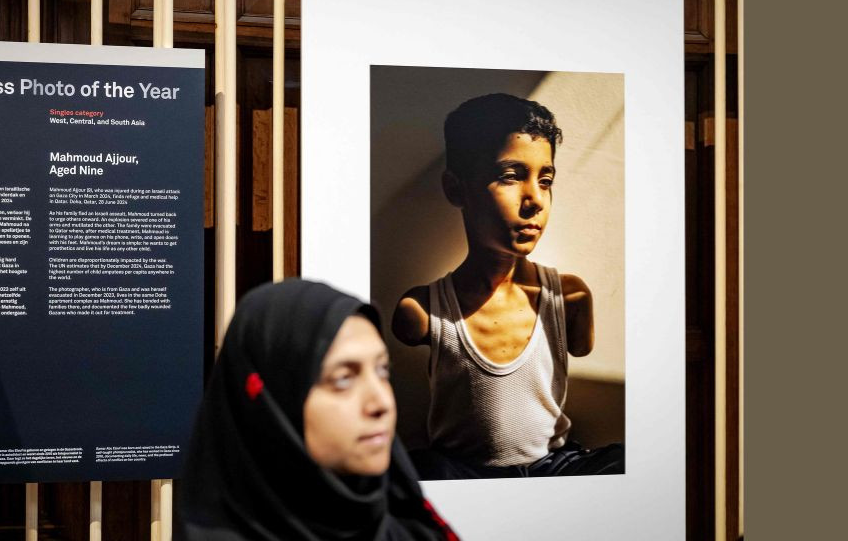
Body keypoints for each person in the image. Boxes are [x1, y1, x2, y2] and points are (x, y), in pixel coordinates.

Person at [392, 93, 623, 479]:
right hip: (462, 471)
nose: (535, 200)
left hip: (552, 465)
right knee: (412, 472)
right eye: (511, 176)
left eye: (545, 181)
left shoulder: (569, 298)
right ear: (456, 189)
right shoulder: (423, 310)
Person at [177, 279, 458, 541]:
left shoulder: (410, 531)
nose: (381, 403)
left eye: (382, 370)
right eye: (343, 379)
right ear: (274, 403)